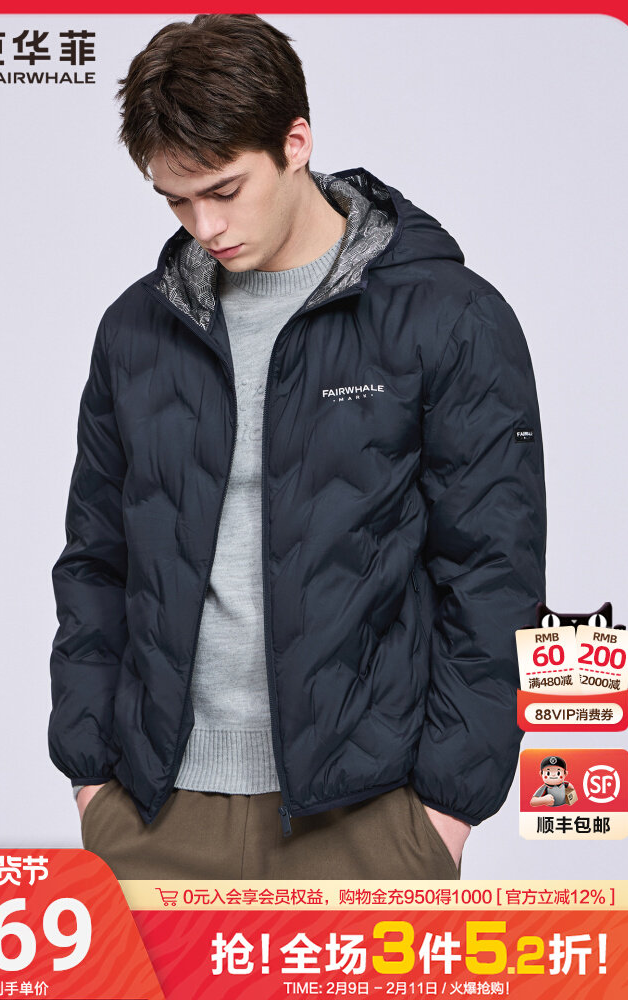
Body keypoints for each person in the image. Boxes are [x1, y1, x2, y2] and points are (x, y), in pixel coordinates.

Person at [48, 13, 547, 880]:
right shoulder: (136, 330)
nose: (204, 225)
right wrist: (92, 780)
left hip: (367, 819)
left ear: (295, 143)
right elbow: (97, 560)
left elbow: (493, 574)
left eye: (225, 189)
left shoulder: (450, 318)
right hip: (153, 812)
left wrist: (445, 811)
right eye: (176, 200)